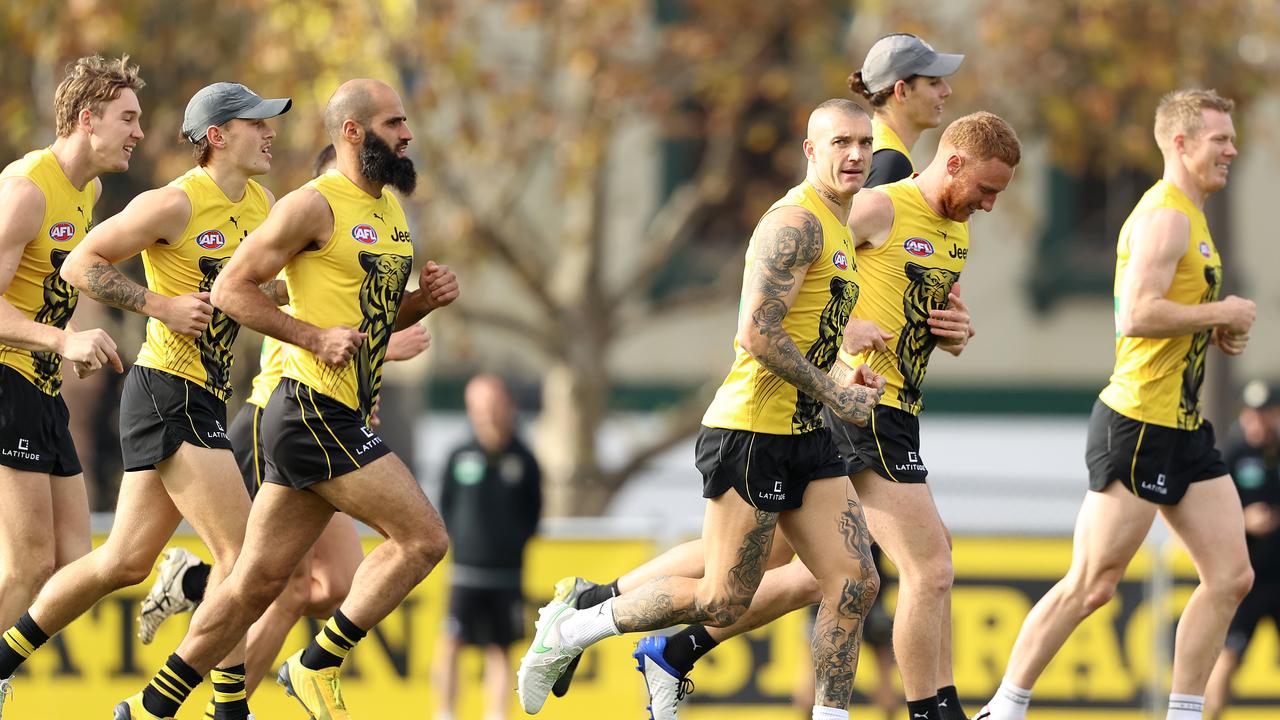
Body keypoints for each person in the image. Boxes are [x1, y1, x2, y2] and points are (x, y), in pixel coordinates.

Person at [546, 110, 1019, 720]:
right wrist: (847, 343)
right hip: (859, 411)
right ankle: (936, 711)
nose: (988, 204)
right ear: (952, 161)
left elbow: (897, 306)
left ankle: (643, 628)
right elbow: (805, 296)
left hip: (883, 408)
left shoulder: (956, 230)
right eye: (984, 190)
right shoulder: (875, 207)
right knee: (930, 564)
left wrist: (953, 333)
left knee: (793, 570)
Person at [516, 98, 885, 720]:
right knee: (722, 601)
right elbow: (756, 333)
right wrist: (835, 391)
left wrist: (842, 365)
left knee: (856, 580)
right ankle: (577, 627)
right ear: (809, 150)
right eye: (840, 142)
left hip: (804, 433)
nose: (854, 155)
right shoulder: (794, 222)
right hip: (750, 432)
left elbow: (805, 321)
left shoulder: (840, 224)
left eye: (864, 144)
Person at [117, 78, 458, 720]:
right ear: (353, 132)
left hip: (335, 410)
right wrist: (309, 336)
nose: (407, 134)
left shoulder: (388, 211)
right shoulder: (310, 205)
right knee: (423, 540)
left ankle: (149, 707)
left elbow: (367, 324)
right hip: (307, 409)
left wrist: (421, 301)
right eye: (394, 122)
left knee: (256, 583)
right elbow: (231, 290)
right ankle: (316, 664)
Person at [1, 80, 289, 720]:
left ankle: (6, 660)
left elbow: (255, 297)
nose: (272, 132)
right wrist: (156, 305)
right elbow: (80, 263)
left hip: (199, 396)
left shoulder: (263, 204)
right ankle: (213, 708)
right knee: (244, 557)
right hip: (165, 390)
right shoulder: (175, 202)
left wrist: (348, 327)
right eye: (258, 123)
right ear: (218, 136)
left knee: (118, 562)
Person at [977, 89, 1256, 720]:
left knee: (1232, 576)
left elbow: (1168, 310)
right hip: (1137, 424)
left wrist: (1215, 328)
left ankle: (1184, 714)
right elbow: (1135, 315)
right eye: (1221, 139)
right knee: (1093, 585)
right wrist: (1222, 310)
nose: (1232, 149)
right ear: (1180, 144)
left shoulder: (1192, 213)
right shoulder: (1166, 215)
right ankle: (1004, 708)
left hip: (1184, 427)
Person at [0, 53, 143, 715]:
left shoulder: (89, 194)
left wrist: (69, 346)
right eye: (127, 118)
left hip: (40, 388)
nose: (138, 132)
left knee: (72, 562)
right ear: (88, 120)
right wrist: (64, 340)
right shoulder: (28, 188)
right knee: (28, 564)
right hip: (6, 382)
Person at [434, 374, 542, 720]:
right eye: (479, 407)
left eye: (493, 405)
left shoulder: (525, 460)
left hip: (507, 574)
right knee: (451, 644)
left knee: (501, 649)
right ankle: (445, 713)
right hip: (465, 571)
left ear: (508, 406)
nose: (487, 414)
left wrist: (511, 544)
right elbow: (445, 505)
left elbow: (533, 512)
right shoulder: (459, 455)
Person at [1203, 380, 1280, 719]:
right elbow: (1206, 512)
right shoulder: (1232, 454)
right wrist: (1244, 521)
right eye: (1252, 413)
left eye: (1265, 414)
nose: (1258, 421)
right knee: (1228, 656)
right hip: (1245, 579)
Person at [849, 33, 962, 186]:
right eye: (934, 83)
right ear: (902, 92)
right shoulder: (891, 163)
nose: (947, 91)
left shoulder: (875, 148)